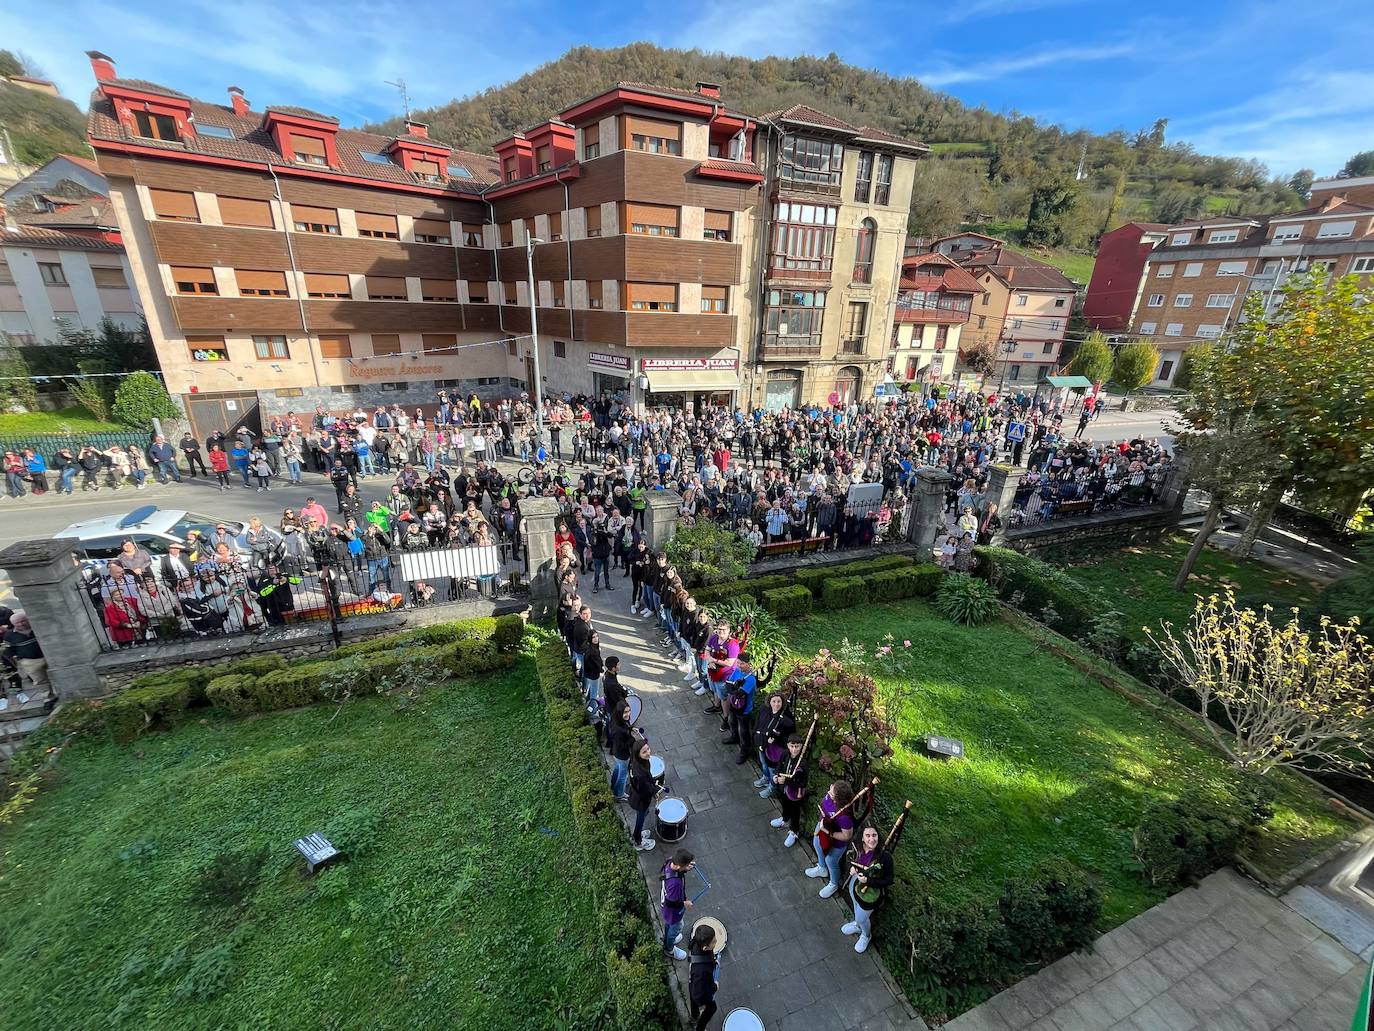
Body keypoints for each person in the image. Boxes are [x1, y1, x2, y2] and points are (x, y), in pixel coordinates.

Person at [843, 824, 894, 955]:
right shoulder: (858, 848)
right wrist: (851, 867)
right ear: (862, 838)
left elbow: (889, 880)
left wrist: (869, 881)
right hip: (855, 884)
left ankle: (866, 935)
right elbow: (850, 859)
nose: (872, 839)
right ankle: (857, 925)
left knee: (861, 917)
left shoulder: (885, 857)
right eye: (868, 835)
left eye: (874, 835)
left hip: (871, 893)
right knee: (855, 903)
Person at [806, 780, 856, 899]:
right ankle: (822, 868)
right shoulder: (829, 796)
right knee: (817, 844)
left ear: (837, 800)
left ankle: (833, 884)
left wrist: (828, 832)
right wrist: (820, 825)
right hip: (824, 826)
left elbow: (847, 836)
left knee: (831, 861)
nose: (829, 791)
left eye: (832, 792)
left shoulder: (845, 817)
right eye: (831, 787)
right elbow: (824, 809)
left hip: (836, 840)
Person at [753, 692, 795, 798]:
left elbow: (790, 738)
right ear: (769, 702)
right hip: (762, 744)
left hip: (774, 751)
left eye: (779, 701)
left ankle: (772, 788)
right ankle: (765, 778)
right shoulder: (765, 711)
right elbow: (758, 724)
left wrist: (776, 740)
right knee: (763, 763)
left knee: (773, 771)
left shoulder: (786, 718)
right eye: (774, 701)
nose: (776, 704)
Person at [770, 734, 808, 847]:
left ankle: (794, 831)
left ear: (801, 746)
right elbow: (779, 766)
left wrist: (786, 781)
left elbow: (802, 782)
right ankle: (784, 818)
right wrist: (776, 776)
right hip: (783, 788)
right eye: (792, 746)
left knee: (795, 812)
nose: (794, 749)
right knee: (784, 803)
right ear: (788, 745)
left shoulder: (803, 762)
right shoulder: (784, 753)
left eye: (797, 746)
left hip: (795, 792)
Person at [2, 612, 49, 702]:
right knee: (40, 681)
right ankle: (48, 698)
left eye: (23, 621)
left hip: (48, 656)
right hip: (30, 661)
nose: (21, 624)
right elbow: (7, 649)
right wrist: (17, 659)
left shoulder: (37, 628)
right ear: (13, 624)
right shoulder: (9, 635)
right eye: (17, 623)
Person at [721, 651, 757, 765]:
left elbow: (740, 694)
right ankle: (734, 737)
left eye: (742, 663)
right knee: (732, 722)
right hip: (733, 704)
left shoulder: (751, 679)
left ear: (748, 664)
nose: (739, 665)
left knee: (744, 732)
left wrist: (733, 688)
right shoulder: (737, 671)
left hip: (744, 710)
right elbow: (728, 684)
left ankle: (744, 751)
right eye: (738, 663)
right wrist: (733, 688)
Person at [660, 849, 695, 961]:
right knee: (677, 927)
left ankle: (668, 939)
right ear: (680, 866)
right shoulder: (675, 884)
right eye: (686, 865)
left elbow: (678, 870)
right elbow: (670, 902)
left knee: (668, 926)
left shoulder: (669, 861)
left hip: (666, 911)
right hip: (673, 912)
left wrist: (685, 869)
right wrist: (684, 903)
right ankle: (669, 949)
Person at [627, 738, 659, 851]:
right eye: (644, 752)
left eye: (648, 749)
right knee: (640, 819)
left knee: (643, 815)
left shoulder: (635, 762)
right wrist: (655, 791)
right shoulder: (640, 773)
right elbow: (646, 788)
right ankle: (638, 841)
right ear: (638, 754)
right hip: (640, 800)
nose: (648, 753)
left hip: (636, 796)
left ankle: (637, 835)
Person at [688, 923, 719, 1031]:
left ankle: (693, 1017)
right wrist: (714, 987)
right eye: (714, 942)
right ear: (705, 947)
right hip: (699, 988)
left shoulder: (695, 943)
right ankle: (700, 1028)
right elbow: (697, 994)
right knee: (712, 1008)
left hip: (692, 980)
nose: (716, 942)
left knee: (693, 1001)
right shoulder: (703, 971)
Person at [607, 699, 633, 801]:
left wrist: (630, 730)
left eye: (629, 711)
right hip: (622, 755)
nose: (628, 714)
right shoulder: (619, 730)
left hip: (617, 753)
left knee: (618, 768)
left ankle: (614, 785)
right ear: (619, 712)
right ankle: (619, 794)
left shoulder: (617, 720)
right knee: (623, 776)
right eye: (625, 712)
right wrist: (632, 739)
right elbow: (623, 745)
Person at [582, 630, 605, 704]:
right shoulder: (593, 651)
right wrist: (601, 669)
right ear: (590, 638)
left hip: (590, 673)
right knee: (594, 694)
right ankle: (593, 710)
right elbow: (597, 663)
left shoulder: (590, 647)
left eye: (596, 636)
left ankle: (588, 703)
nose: (596, 639)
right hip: (593, 674)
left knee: (591, 690)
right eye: (593, 637)